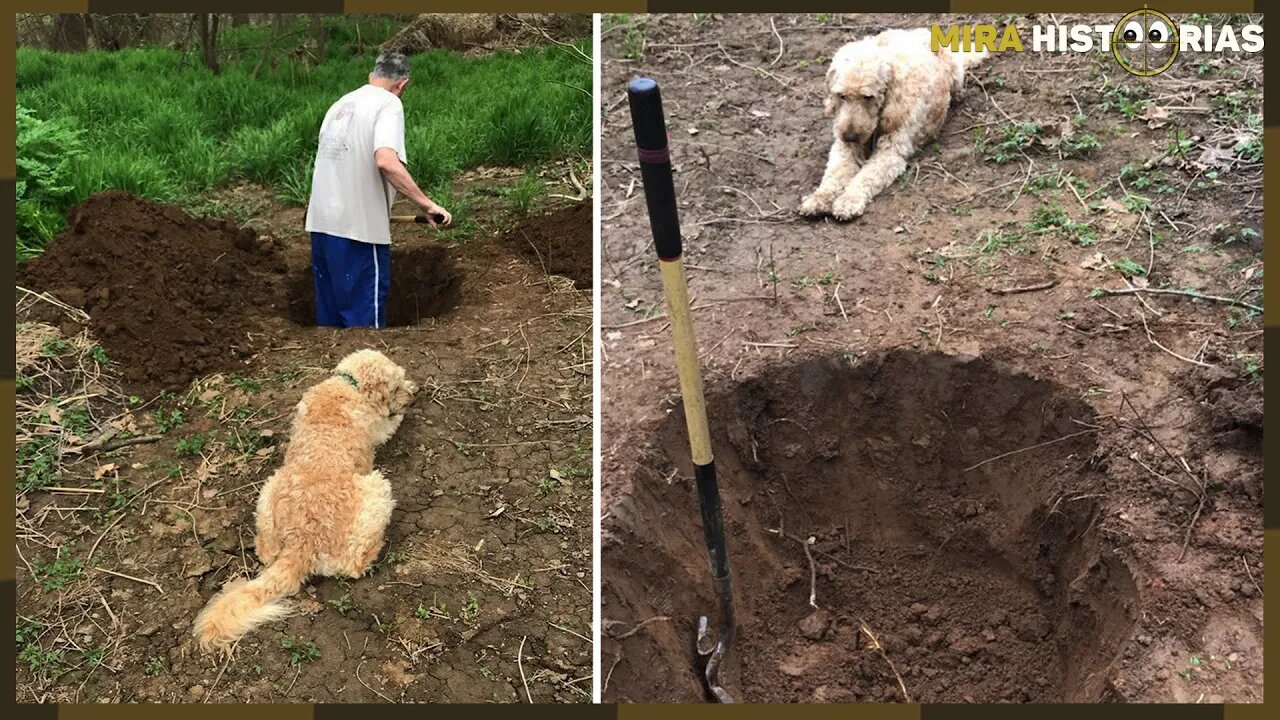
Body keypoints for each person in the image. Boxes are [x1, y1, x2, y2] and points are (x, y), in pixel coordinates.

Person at [304, 50, 452, 328]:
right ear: (402, 84)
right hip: (357, 233)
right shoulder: (388, 104)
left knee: (329, 328)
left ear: (371, 76)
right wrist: (427, 204)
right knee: (364, 332)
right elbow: (386, 161)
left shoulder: (340, 104)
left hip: (321, 227)